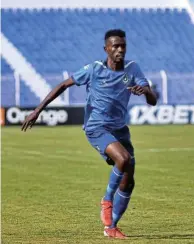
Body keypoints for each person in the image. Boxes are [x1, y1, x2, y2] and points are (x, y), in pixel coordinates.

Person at [21, 29, 157, 239]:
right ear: (106, 49)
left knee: (129, 180)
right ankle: (106, 200)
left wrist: (146, 91)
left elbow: (152, 100)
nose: (120, 49)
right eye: (115, 46)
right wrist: (38, 110)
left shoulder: (133, 69)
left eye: (123, 45)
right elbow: (63, 85)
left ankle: (111, 227)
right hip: (96, 127)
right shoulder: (94, 69)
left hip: (120, 129)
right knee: (124, 158)